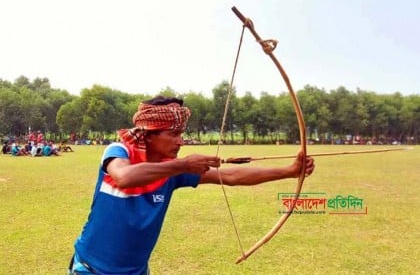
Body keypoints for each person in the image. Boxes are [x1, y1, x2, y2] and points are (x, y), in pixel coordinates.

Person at [68, 96, 315, 275]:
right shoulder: (119, 151)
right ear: (148, 134)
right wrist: (183, 165)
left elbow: (230, 176)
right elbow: (124, 177)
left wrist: (290, 171)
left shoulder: (174, 169)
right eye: (172, 134)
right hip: (91, 268)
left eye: (181, 133)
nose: (180, 141)